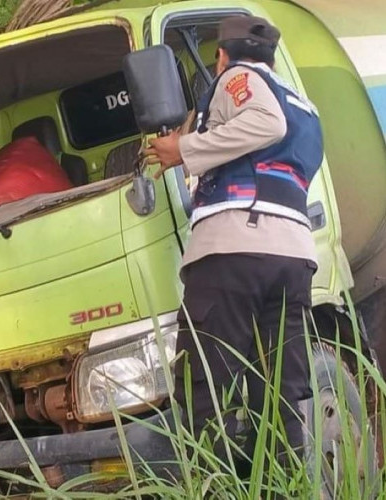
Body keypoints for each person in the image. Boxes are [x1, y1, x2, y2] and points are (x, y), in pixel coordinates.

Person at [144, 16, 324, 474]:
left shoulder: (237, 78)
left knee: (207, 388)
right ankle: (284, 482)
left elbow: (266, 124)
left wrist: (184, 150)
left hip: (234, 251)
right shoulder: (305, 105)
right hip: (293, 257)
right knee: (279, 389)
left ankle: (217, 486)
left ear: (222, 55)